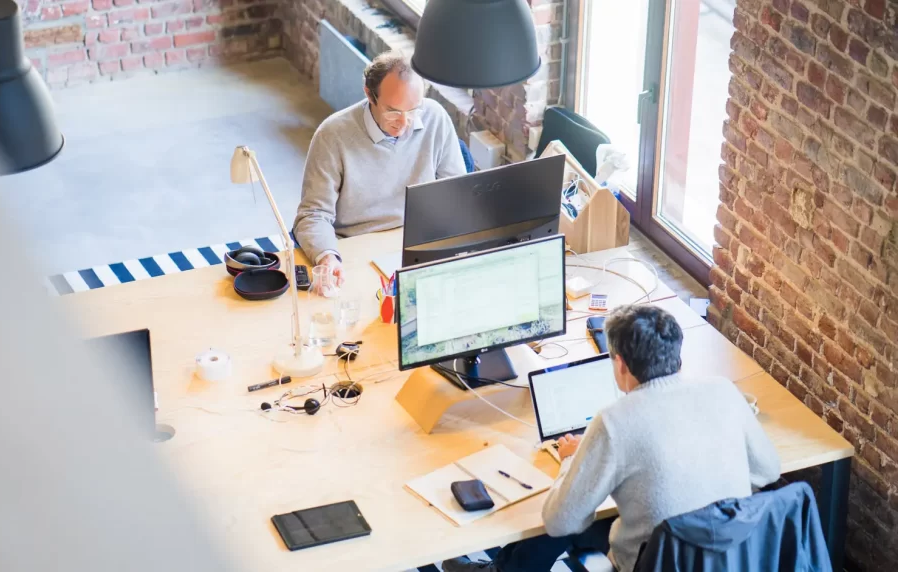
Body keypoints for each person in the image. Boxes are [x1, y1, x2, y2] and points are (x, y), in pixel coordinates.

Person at [444, 305, 781, 572]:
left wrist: (571, 460)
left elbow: (561, 521)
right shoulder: (722, 390)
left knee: (564, 513)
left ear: (620, 364)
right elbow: (768, 471)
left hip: (653, 562)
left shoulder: (615, 421)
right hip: (731, 558)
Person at [292, 51, 466, 289]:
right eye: (393, 111)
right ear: (369, 95)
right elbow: (312, 215)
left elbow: (456, 195)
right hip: (355, 249)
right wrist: (327, 256)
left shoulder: (435, 116)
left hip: (417, 245)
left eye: (413, 110)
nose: (404, 123)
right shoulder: (332, 135)